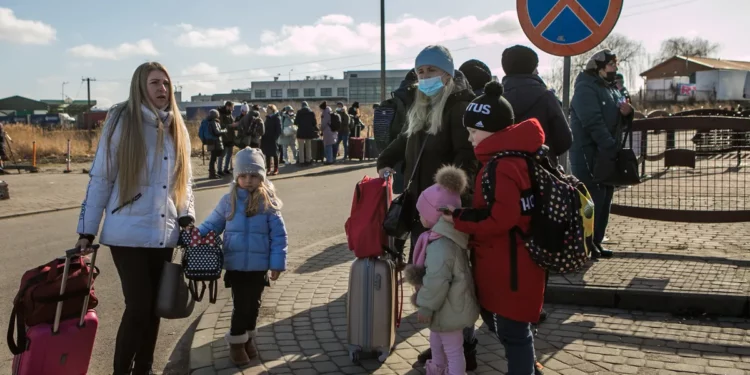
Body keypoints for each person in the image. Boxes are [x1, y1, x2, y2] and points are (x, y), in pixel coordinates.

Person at [75, 61, 195, 375]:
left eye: (166, 83)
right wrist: (87, 231)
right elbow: (101, 178)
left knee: (157, 305)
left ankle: (145, 368)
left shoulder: (175, 125)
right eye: (155, 83)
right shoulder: (121, 121)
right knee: (139, 305)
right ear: (140, 86)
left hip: (163, 231)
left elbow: (184, 181)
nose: (162, 90)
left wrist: (186, 218)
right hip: (125, 233)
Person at [376, 45, 478, 370]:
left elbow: (468, 158)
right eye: (420, 73)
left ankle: (464, 348)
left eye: (431, 71)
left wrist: (451, 198)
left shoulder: (459, 107)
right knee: (430, 280)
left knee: (451, 282)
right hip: (424, 212)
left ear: (447, 73)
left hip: (447, 212)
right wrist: (386, 159)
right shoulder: (423, 106)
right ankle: (443, 344)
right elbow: (407, 139)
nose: (424, 78)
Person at [443, 81, 546, 375]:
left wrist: (459, 218)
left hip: (512, 265)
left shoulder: (502, 166)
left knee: (515, 333)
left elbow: (501, 219)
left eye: (473, 131)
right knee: (514, 329)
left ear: (491, 130)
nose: (470, 137)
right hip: (515, 260)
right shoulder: (516, 156)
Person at [197, 147, 288, 367]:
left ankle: (248, 337)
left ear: (262, 177)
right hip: (235, 265)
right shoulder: (228, 200)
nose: (248, 180)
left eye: (254, 176)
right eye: (243, 176)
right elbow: (212, 224)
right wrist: (195, 235)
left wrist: (277, 264)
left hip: (259, 266)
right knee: (241, 304)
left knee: (254, 304)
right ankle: (236, 342)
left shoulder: (268, 202)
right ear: (237, 176)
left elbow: (279, 236)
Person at [404, 166, 479, 375]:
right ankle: (437, 368)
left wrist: (426, 306)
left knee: (453, 350)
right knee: (437, 340)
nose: (420, 218)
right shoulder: (446, 236)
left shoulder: (440, 245)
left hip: (448, 307)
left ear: (436, 214)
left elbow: (437, 279)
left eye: (422, 213)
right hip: (447, 306)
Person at [569, 49, 634, 259]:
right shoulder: (586, 89)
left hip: (606, 153)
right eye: (611, 65)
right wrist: (608, 145)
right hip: (589, 153)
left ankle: (596, 240)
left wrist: (628, 113)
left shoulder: (609, 88)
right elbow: (592, 122)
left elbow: (616, 120)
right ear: (598, 67)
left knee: (605, 197)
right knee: (591, 198)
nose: (615, 68)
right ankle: (585, 243)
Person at [501, 45, 572, 167]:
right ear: (532, 68)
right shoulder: (546, 96)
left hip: (505, 168)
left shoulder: (497, 99)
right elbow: (564, 140)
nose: (538, 72)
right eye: (536, 67)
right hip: (543, 169)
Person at [294, 101, 319, 166]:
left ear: (301, 106)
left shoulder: (299, 112)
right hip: (309, 132)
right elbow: (314, 123)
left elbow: (296, 122)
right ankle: (308, 160)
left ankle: (301, 161)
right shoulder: (311, 113)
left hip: (301, 132)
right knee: (308, 147)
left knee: (301, 147)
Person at [206, 109, 228, 179]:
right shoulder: (213, 122)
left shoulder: (209, 122)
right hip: (215, 143)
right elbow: (217, 132)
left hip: (211, 142)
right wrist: (224, 130)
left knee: (213, 158)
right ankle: (212, 174)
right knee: (213, 159)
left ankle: (213, 173)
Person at [261, 104, 282, 175]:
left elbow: (279, 130)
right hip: (267, 138)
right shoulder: (267, 118)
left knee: (275, 154)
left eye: (268, 109)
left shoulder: (277, 118)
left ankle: (276, 169)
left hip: (273, 138)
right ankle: (268, 169)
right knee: (267, 154)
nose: (267, 110)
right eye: (267, 109)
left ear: (272, 110)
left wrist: (275, 138)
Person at [218, 101, 236, 174]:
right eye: (232, 107)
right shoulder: (221, 114)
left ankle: (226, 168)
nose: (233, 109)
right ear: (228, 106)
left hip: (230, 137)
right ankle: (219, 170)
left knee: (229, 153)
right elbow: (221, 126)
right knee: (222, 154)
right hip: (224, 137)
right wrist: (231, 125)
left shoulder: (230, 114)